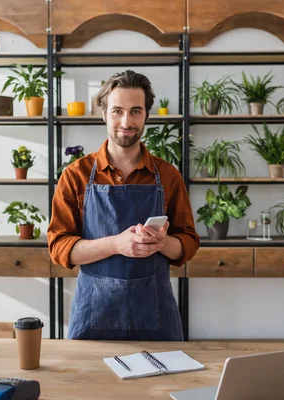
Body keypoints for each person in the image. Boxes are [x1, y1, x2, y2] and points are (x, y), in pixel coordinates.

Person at [47, 70, 199, 341]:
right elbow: (59, 249)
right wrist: (117, 245)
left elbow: (187, 244)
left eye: (135, 111)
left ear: (147, 116)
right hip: (93, 317)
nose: (126, 121)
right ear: (104, 114)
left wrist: (161, 243)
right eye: (117, 111)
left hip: (157, 320)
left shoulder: (168, 176)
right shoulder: (76, 175)